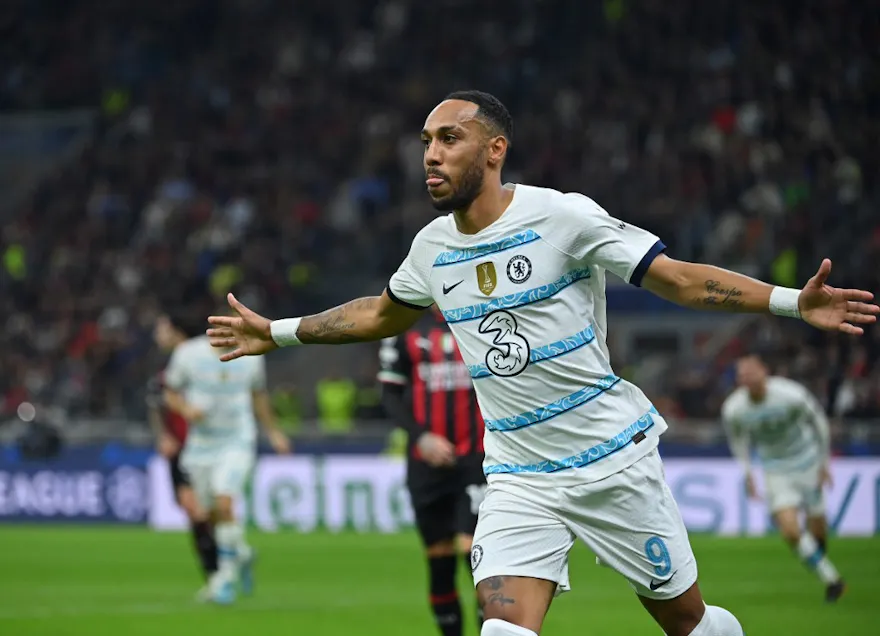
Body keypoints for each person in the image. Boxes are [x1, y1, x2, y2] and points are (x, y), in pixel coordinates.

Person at [204, 91, 878, 635]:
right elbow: (382, 314)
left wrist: (790, 301)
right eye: (425, 145)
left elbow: (674, 279)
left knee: (687, 621)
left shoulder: (561, 218)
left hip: (611, 461)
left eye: (448, 140)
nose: (431, 157)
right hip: (519, 476)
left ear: (494, 150)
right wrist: (280, 332)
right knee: (501, 631)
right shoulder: (431, 248)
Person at [164, 306, 292, 605]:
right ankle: (243, 554)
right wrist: (185, 410)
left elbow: (258, 396)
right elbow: (169, 391)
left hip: (236, 441)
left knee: (225, 502)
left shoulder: (250, 356)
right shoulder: (187, 354)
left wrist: (274, 432)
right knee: (209, 515)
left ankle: (224, 579)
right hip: (201, 447)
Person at [379, 306, 487, 635]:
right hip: (426, 466)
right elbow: (390, 395)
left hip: (477, 460)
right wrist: (421, 438)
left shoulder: (481, 320)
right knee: (438, 561)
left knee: (475, 553)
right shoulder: (404, 327)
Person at [721, 354, 845, 602]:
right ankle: (832, 580)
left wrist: (824, 462)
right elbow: (738, 441)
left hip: (807, 462)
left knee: (818, 531)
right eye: (741, 375)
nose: (747, 378)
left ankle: (819, 559)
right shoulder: (734, 409)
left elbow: (818, 421)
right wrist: (747, 473)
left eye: (751, 372)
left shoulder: (790, 394)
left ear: (764, 371)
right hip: (776, 470)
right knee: (789, 530)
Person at [148, 312, 217, 599]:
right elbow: (156, 404)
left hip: (201, 447)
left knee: (198, 510)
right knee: (194, 512)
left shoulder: (198, 362)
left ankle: (218, 575)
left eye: (162, 328)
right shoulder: (167, 369)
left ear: (177, 332)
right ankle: (225, 565)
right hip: (178, 448)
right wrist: (163, 435)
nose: (157, 334)